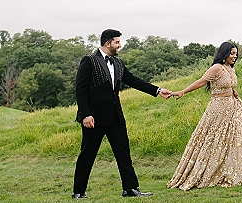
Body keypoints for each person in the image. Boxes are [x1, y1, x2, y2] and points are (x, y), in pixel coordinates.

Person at [72, 29, 172, 199]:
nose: (120, 45)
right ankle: (78, 192)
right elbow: (80, 89)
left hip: (115, 117)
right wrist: (85, 114)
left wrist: (157, 90)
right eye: (117, 42)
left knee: (123, 153)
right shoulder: (89, 61)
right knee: (87, 154)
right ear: (107, 43)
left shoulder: (118, 63)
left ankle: (130, 189)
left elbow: (133, 80)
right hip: (93, 118)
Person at [167, 41, 242, 191]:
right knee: (214, 139)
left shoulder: (229, 68)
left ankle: (240, 170)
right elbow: (201, 82)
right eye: (232, 54)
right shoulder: (216, 68)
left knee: (238, 138)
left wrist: (234, 92)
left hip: (233, 106)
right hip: (218, 108)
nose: (234, 57)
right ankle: (210, 171)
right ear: (224, 54)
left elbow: (229, 85)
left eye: (236, 54)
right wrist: (183, 92)